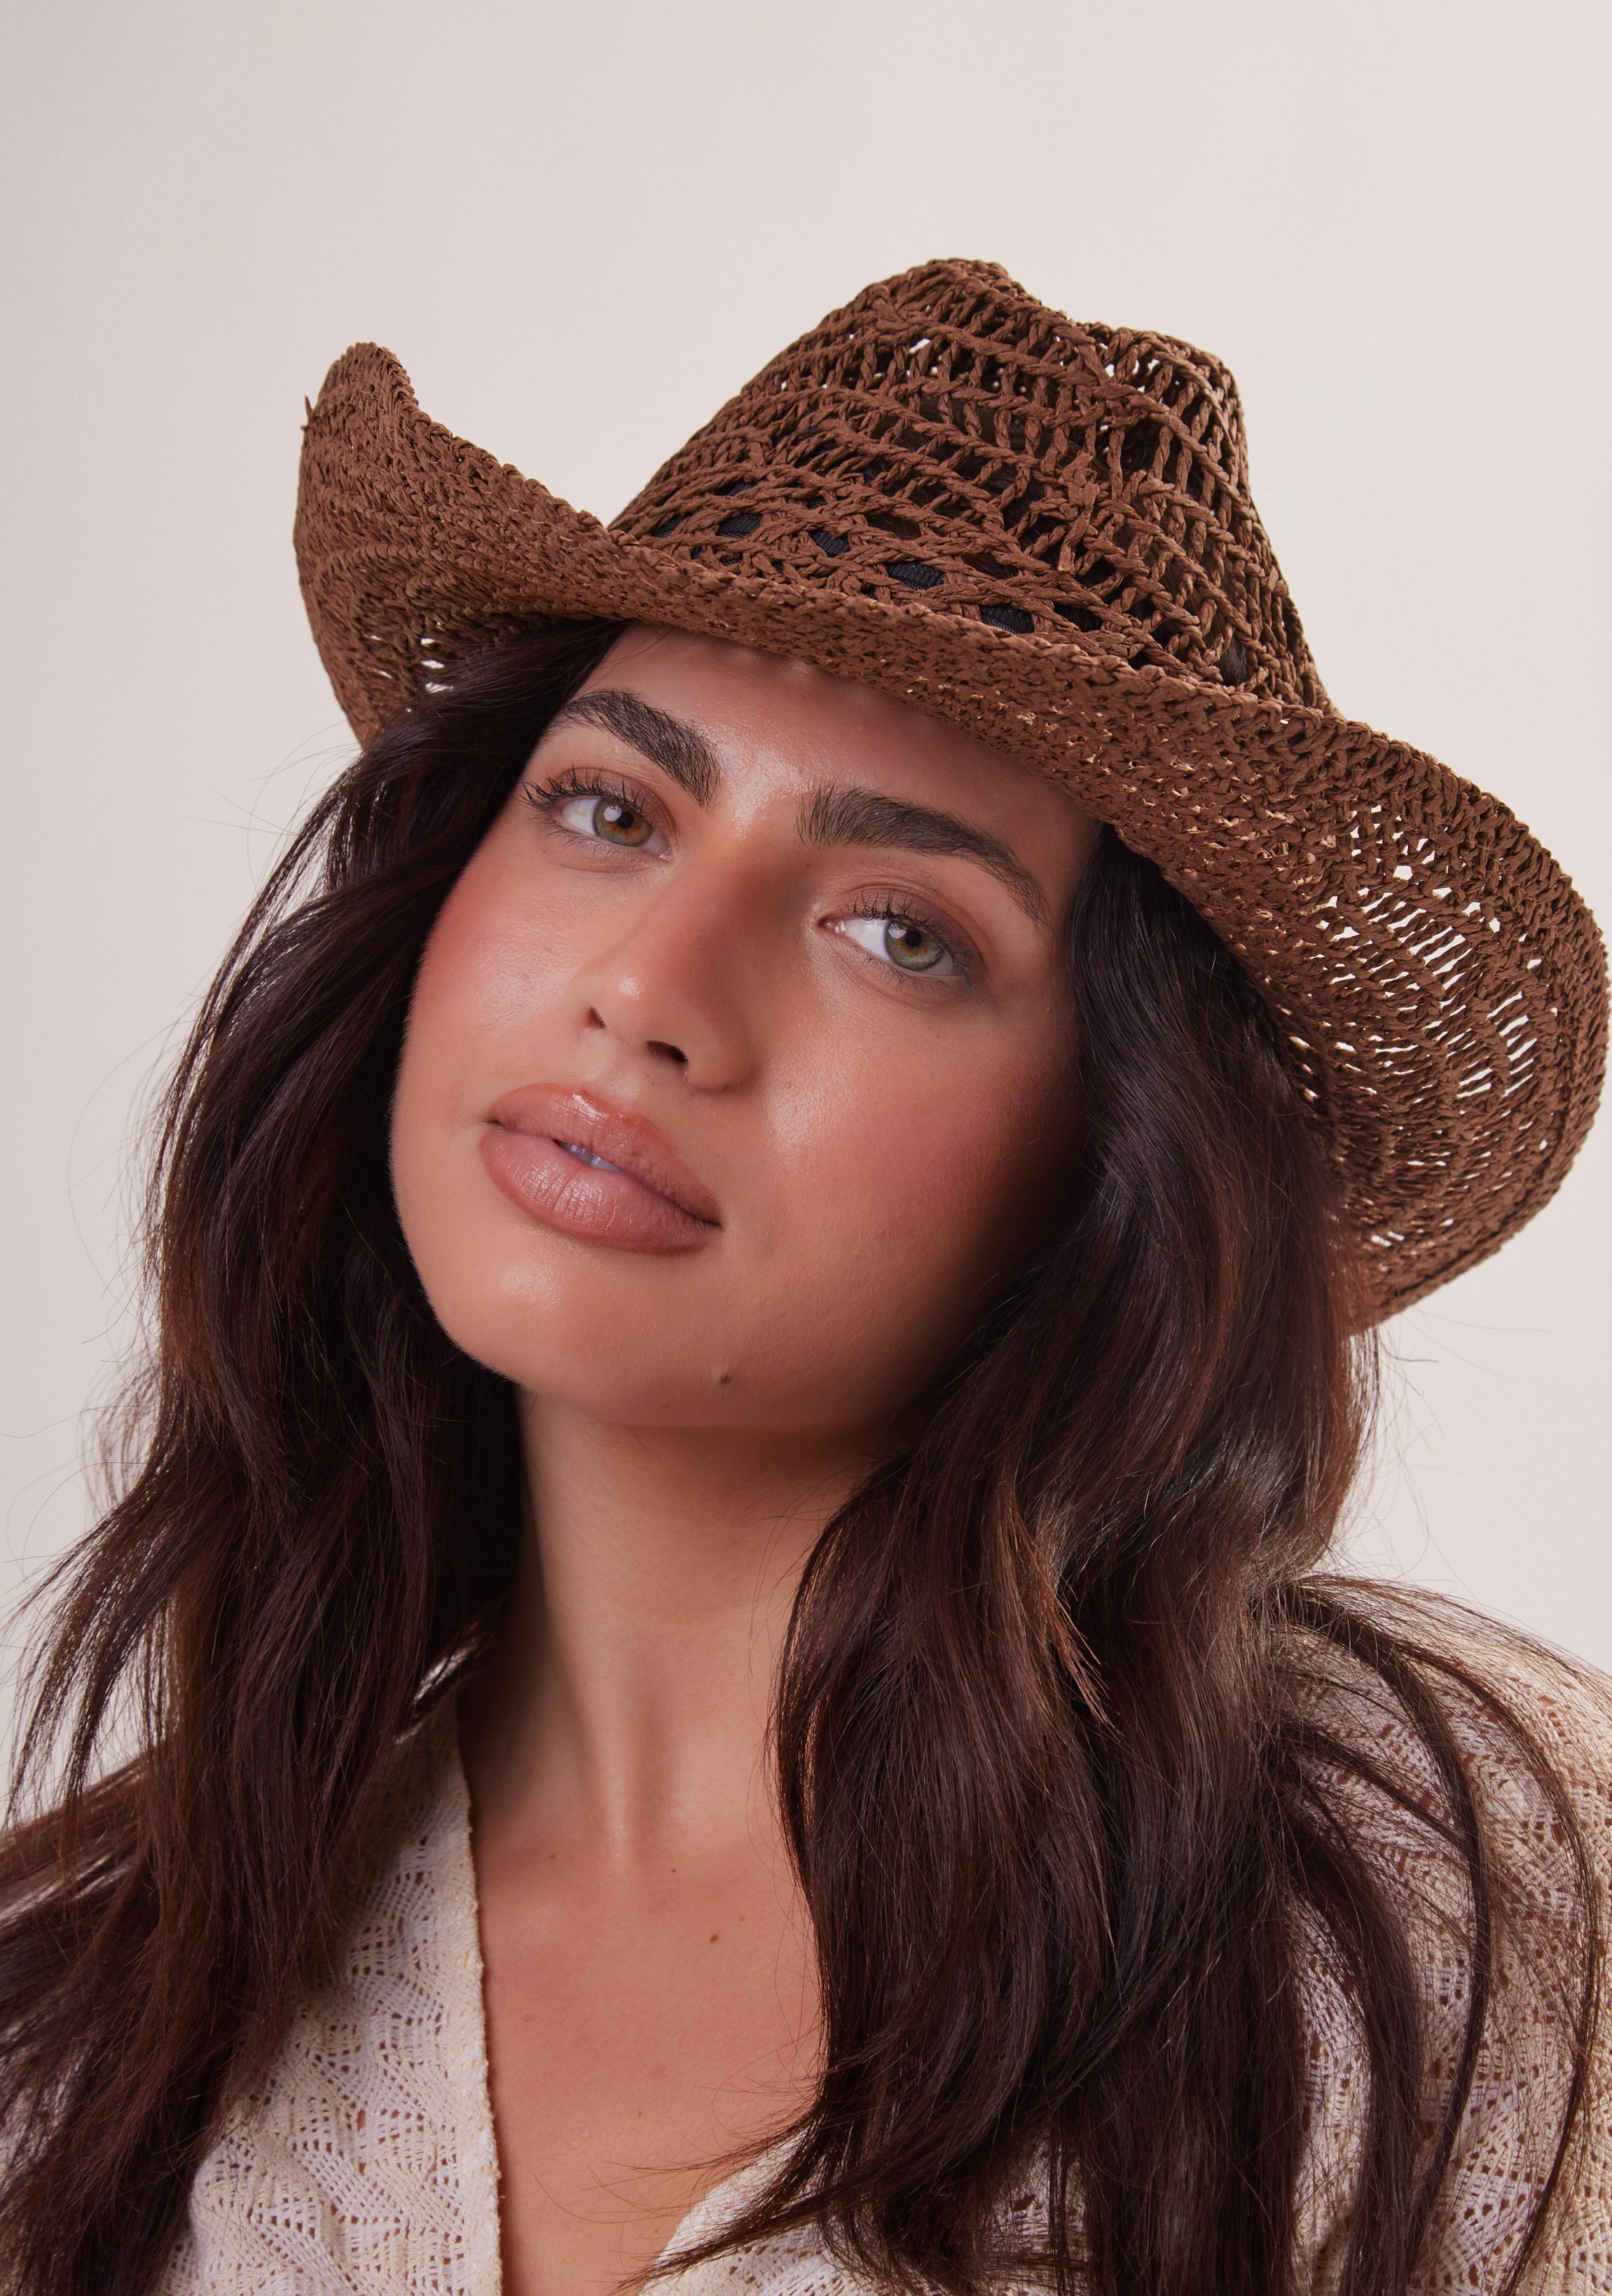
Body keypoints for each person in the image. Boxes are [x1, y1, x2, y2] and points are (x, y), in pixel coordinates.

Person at [1, 259, 1607, 2296]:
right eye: (608, 805)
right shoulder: (81, 2029)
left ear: (1109, 1158)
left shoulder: (1468, 1936)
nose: (650, 991)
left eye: (900, 929)